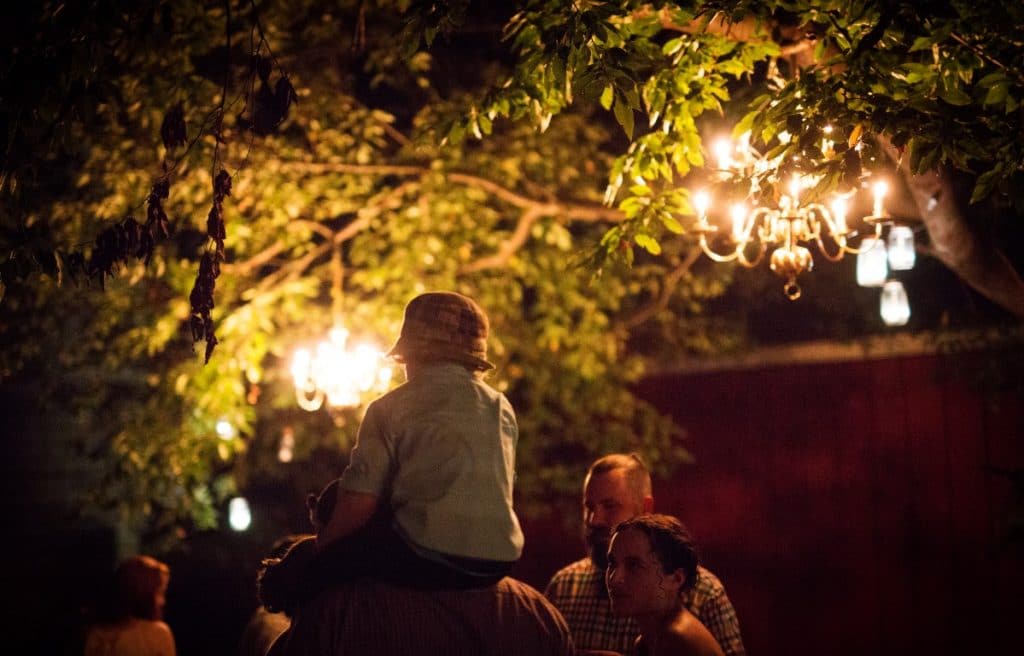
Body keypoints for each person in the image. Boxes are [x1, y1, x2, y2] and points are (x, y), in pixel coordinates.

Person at [313, 290, 524, 591]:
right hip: (499, 560)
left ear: (410, 356)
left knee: (336, 506)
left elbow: (359, 502)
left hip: (425, 555)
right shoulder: (501, 406)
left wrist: (321, 550)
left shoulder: (388, 408)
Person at [545, 453, 745, 656]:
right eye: (588, 507)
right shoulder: (563, 586)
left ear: (646, 507)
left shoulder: (704, 595)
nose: (594, 520)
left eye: (610, 506)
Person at [606, 514, 724, 656]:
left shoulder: (678, 641)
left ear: (676, 579)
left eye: (633, 565)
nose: (614, 578)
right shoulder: (648, 640)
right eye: (612, 563)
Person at [83, 555, 176, 656]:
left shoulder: (96, 636)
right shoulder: (158, 634)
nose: (163, 601)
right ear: (142, 593)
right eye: (160, 593)